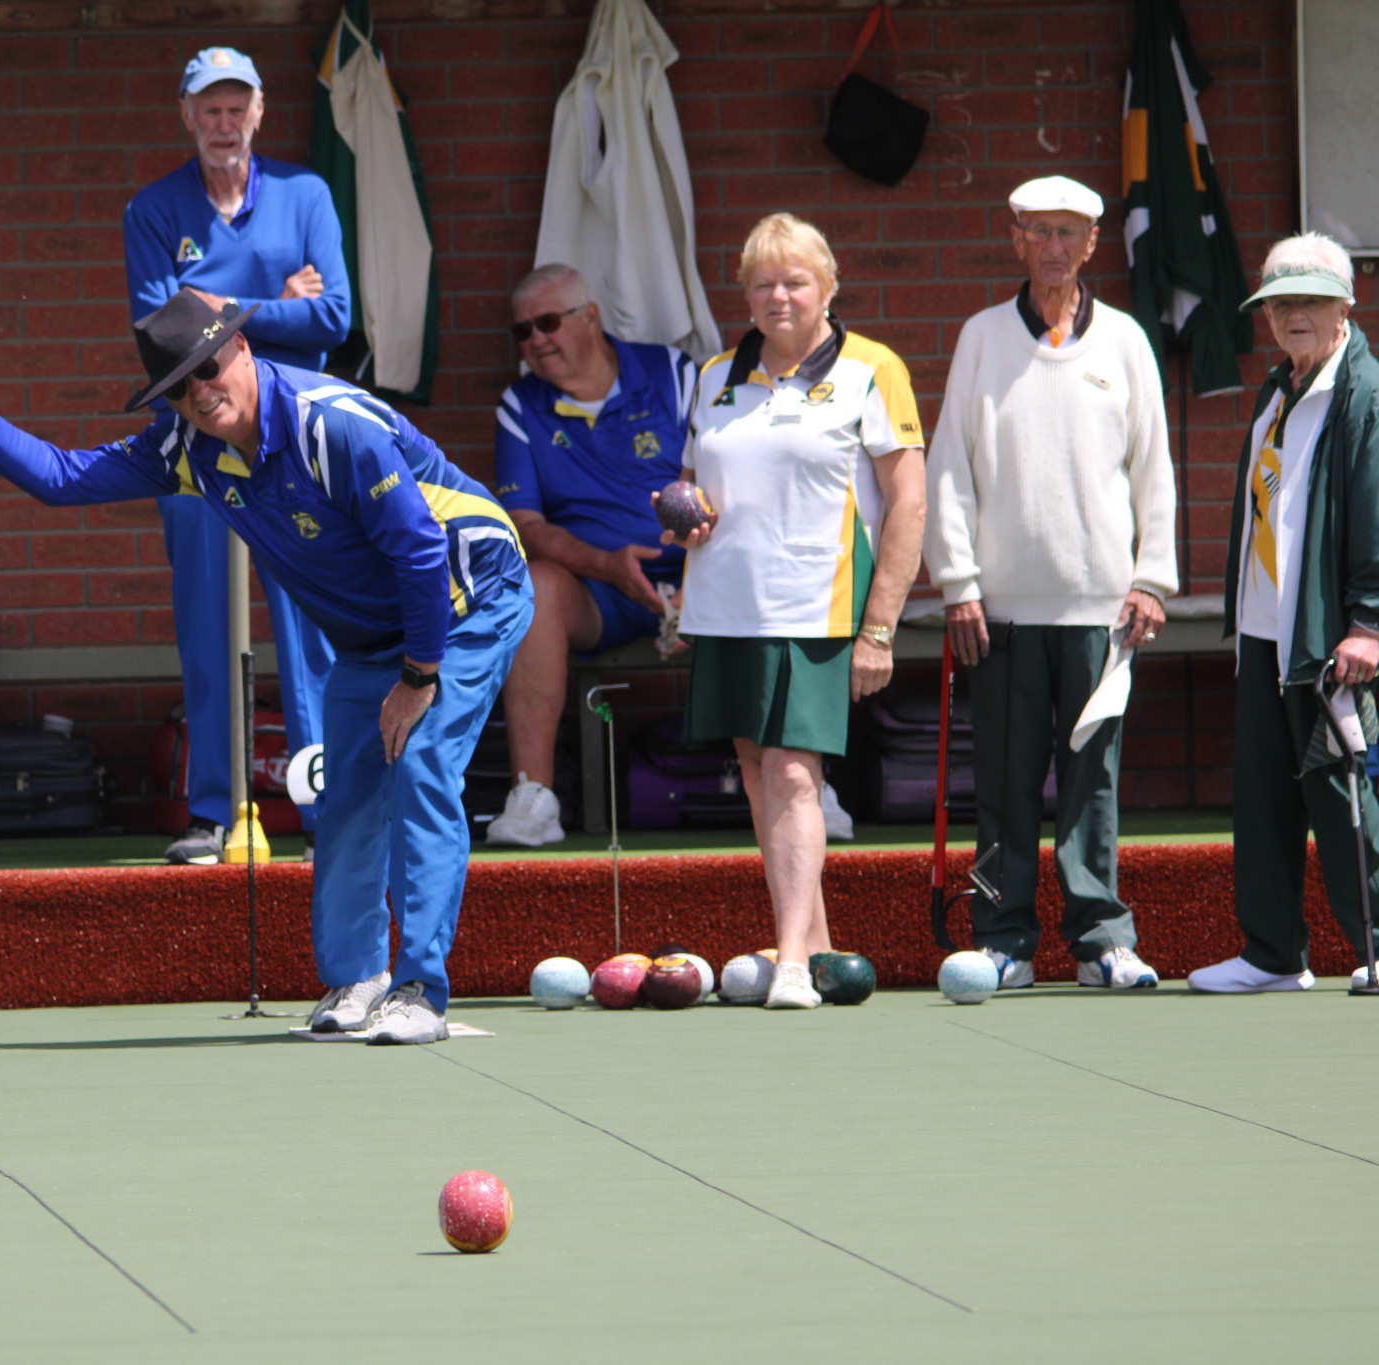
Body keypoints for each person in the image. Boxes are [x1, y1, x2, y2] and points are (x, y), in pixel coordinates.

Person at [0, 290, 530, 1044]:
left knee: (423, 760)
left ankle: (421, 990)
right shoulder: (187, 448)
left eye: (209, 369)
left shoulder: (333, 428)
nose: (201, 392)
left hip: (466, 602)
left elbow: (421, 551)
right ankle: (358, 977)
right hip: (374, 635)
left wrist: (420, 678)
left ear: (243, 350)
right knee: (349, 792)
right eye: (179, 386)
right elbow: (65, 478)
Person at [924, 175, 1176, 993]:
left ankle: (1102, 939)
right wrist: (958, 583)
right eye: (1040, 232)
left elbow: (1155, 474)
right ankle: (1003, 938)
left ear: (1094, 244)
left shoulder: (1128, 342)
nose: (1055, 248)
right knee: (1001, 786)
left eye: (1071, 233)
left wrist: (1152, 580)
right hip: (998, 614)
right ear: (1016, 237)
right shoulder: (983, 337)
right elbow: (948, 469)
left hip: (1103, 613)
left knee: (1091, 784)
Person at [676, 213, 926, 1009]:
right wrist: (681, 511)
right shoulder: (712, 374)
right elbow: (699, 489)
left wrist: (879, 626)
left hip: (819, 606)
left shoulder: (871, 368)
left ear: (828, 287)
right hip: (725, 608)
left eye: (795, 281)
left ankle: (786, 960)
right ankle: (814, 946)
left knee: (792, 772)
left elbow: (909, 504)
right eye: (762, 282)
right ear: (744, 292)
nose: (778, 296)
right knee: (757, 772)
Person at [122, 46, 351, 864]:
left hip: (294, 436)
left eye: (236, 108)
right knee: (210, 627)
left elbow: (334, 320)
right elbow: (161, 336)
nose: (223, 124)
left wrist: (220, 305)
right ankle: (217, 813)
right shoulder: (152, 210)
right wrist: (273, 307)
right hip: (196, 438)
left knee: (312, 629)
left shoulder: (307, 194)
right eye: (208, 109)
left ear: (259, 114)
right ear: (187, 116)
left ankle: (330, 813)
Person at [1189, 233, 1379, 993]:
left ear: (1345, 305)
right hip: (1268, 632)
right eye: (1280, 301)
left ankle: (1375, 940)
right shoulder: (1279, 388)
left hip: (1328, 634)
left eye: (1309, 299)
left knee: (1340, 790)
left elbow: (1372, 511)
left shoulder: (1362, 393)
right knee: (1264, 792)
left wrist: (1368, 621)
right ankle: (1271, 951)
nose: (1293, 313)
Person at [485, 264, 696, 847]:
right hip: (598, 588)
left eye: (548, 322)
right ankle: (534, 799)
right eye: (522, 332)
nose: (536, 341)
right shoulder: (519, 404)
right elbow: (525, 525)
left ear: (591, 317)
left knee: (762, 559)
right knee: (532, 586)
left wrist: (699, 588)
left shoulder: (674, 373)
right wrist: (608, 567)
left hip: (698, 569)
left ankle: (806, 783)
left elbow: (715, 480)